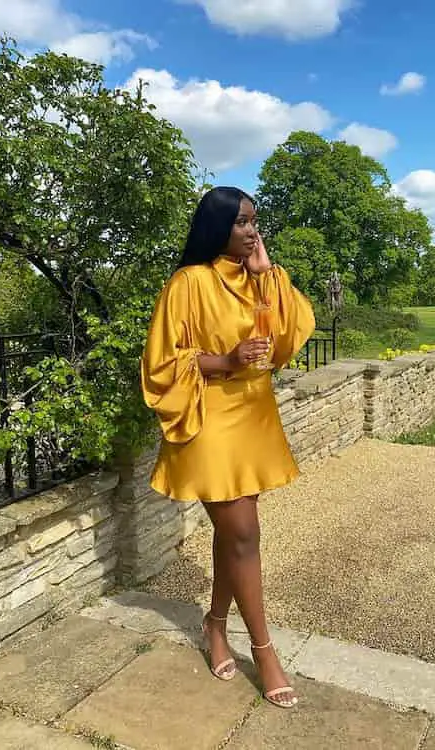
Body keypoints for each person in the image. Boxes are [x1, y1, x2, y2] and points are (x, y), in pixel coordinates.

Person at [141, 186, 315, 708]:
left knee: (232, 537)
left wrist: (266, 274)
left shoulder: (260, 280)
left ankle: (215, 625)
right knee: (244, 534)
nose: (252, 231)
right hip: (209, 415)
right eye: (241, 222)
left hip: (254, 415)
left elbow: (288, 339)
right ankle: (263, 651)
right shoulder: (188, 283)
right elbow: (161, 363)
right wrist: (226, 360)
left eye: (255, 222)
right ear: (217, 226)